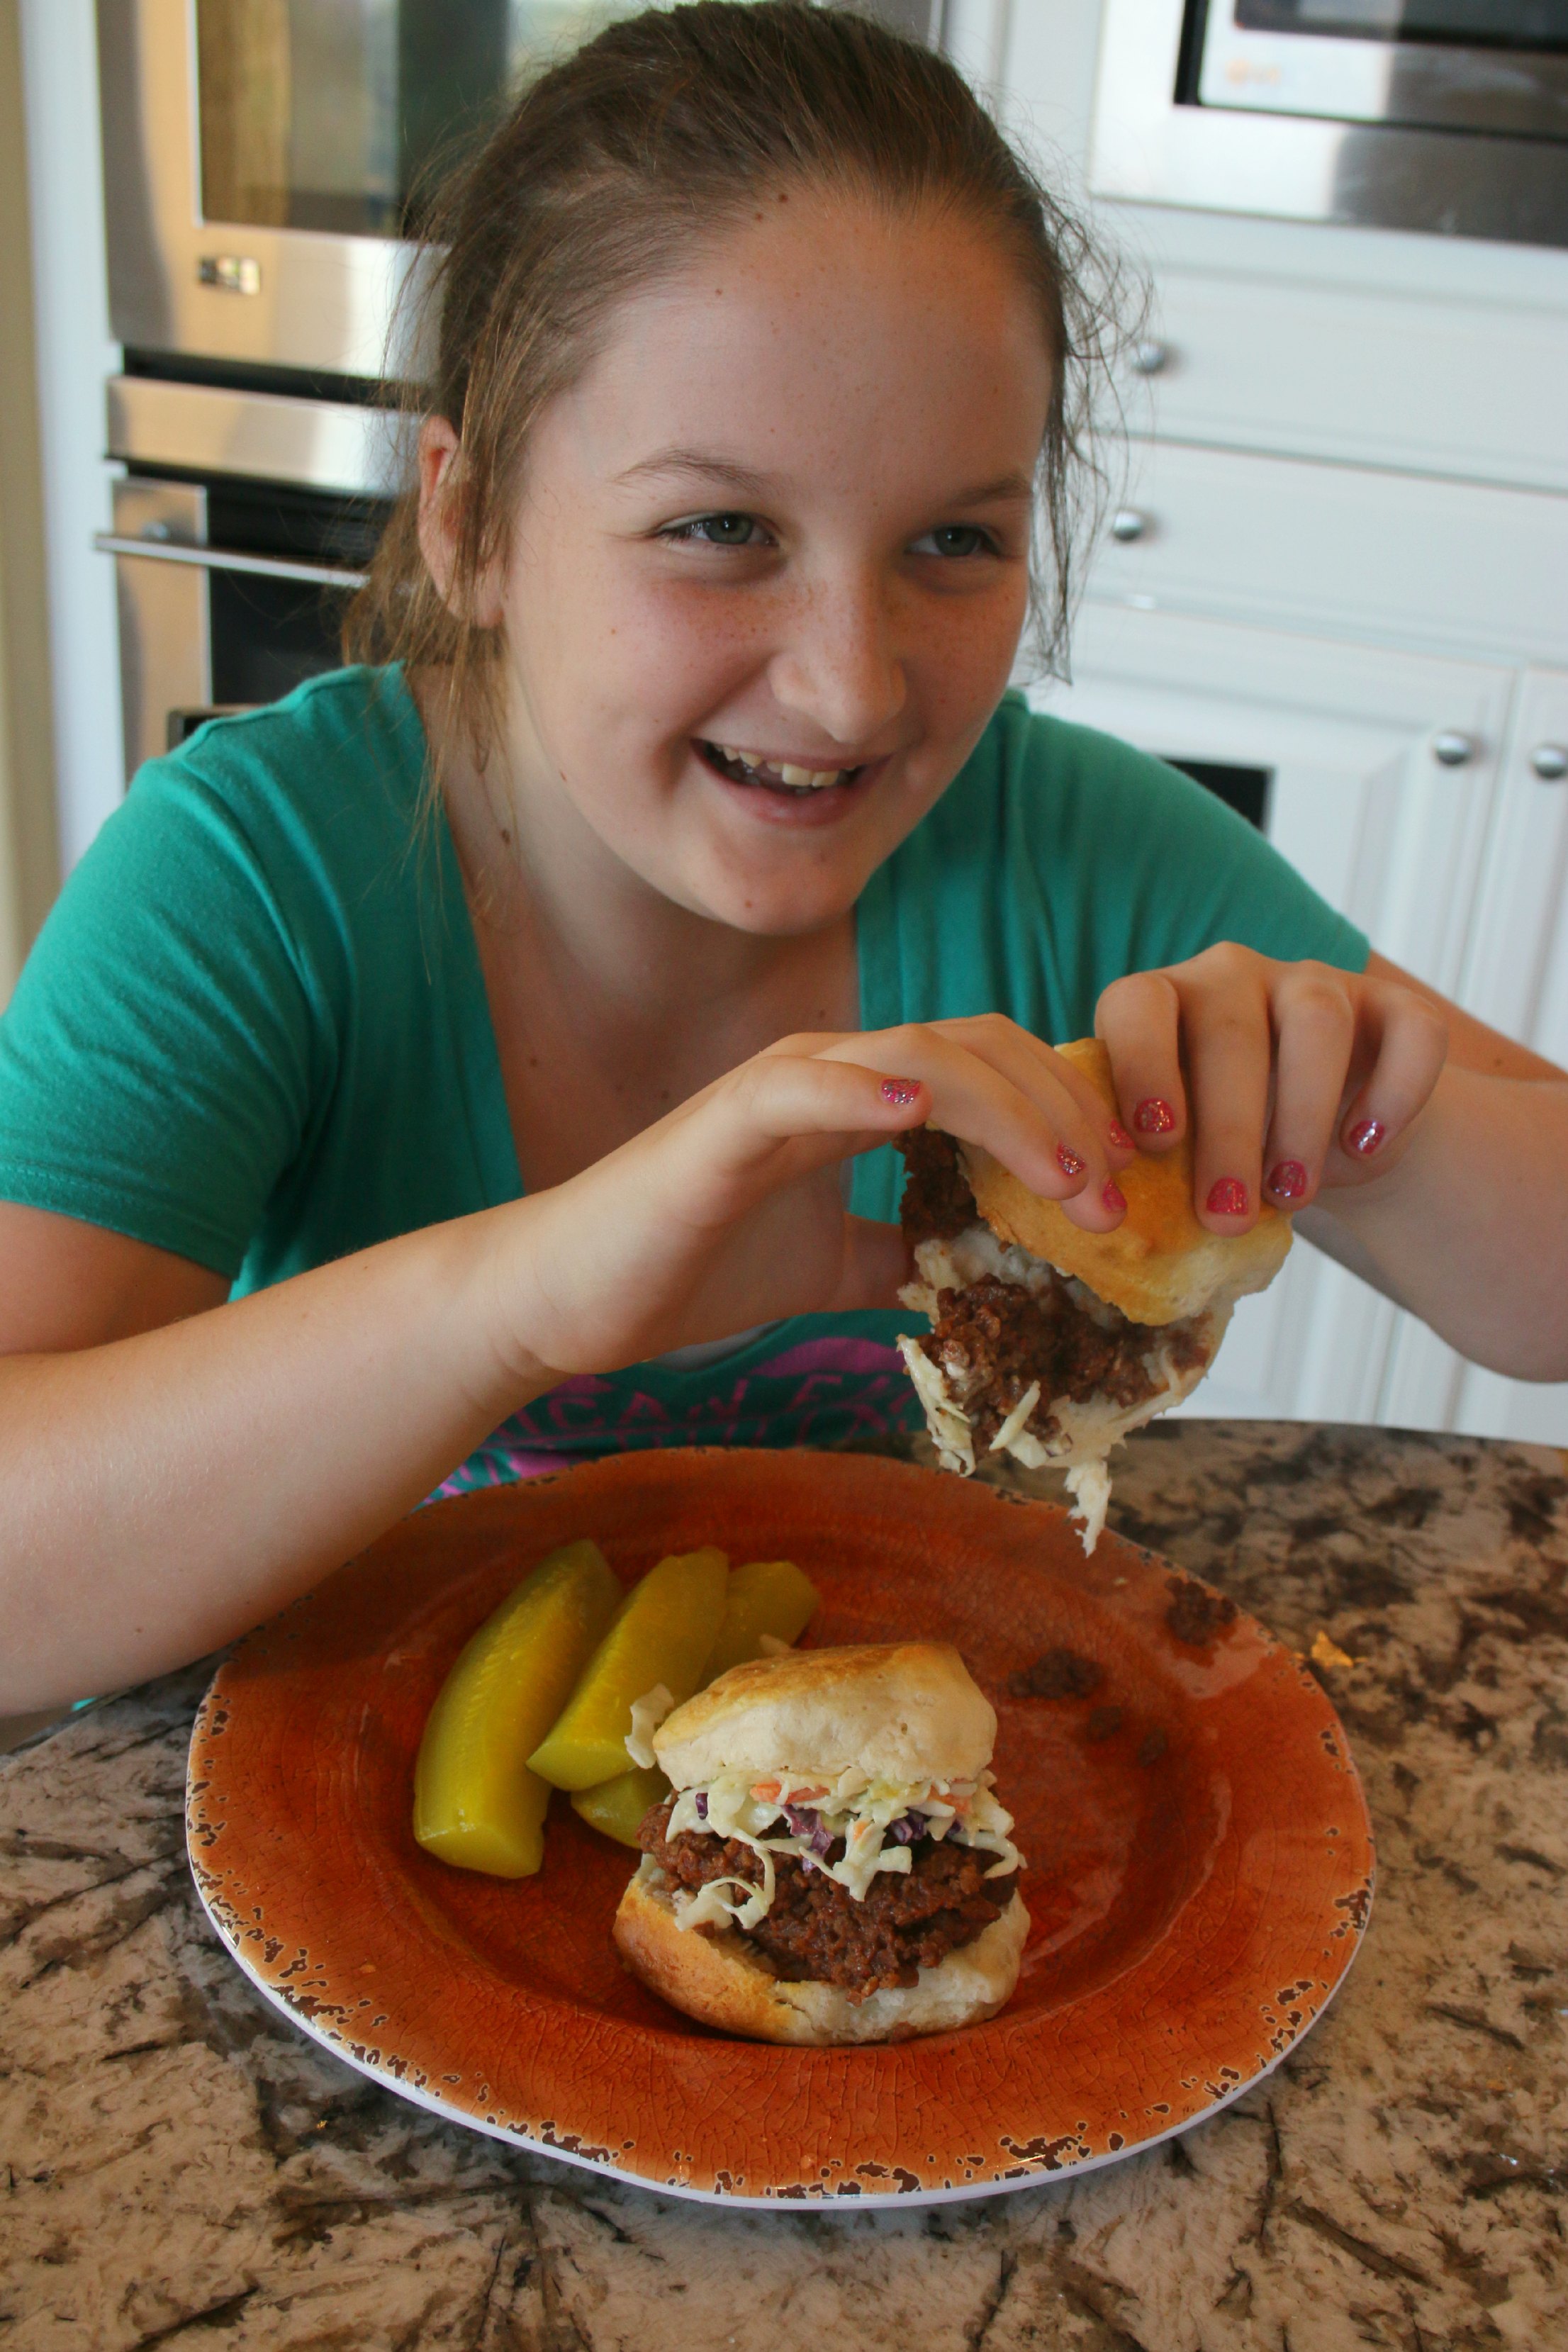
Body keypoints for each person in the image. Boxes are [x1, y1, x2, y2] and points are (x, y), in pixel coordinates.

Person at [2, 4, 1564, 1718]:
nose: (850, 690)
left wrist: (1362, 1118)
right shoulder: (257, 875)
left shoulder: (1065, 847)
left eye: (952, 541)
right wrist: (523, 1299)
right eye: (718, 529)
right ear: (468, 521)